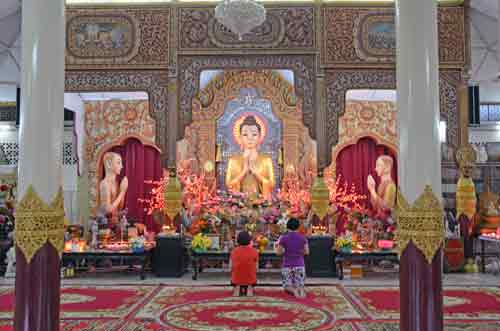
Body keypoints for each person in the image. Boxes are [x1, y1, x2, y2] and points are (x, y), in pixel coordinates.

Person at [226, 115, 275, 200]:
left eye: (254, 134)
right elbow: (229, 185)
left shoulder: (266, 160)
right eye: (245, 134)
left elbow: (271, 185)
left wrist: (256, 173)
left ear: (260, 136)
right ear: (240, 137)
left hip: (261, 204)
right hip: (237, 206)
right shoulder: (233, 160)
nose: (250, 138)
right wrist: (244, 171)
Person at [275, 218, 309, 298]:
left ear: (287, 227)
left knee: (286, 286)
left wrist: (277, 247)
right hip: (299, 265)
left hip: (287, 265)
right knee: (300, 283)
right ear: (298, 227)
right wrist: (298, 252)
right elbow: (307, 252)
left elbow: (278, 252)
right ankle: (300, 289)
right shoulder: (302, 238)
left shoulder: (283, 238)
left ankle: (294, 290)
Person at [99, 152, 128, 224]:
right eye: (118, 163)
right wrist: (122, 192)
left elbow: (119, 207)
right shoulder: (104, 184)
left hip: (115, 221)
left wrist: (123, 189)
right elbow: (108, 211)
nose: (121, 166)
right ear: (109, 164)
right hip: (105, 223)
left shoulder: (116, 183)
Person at [367, 155, 396, 221]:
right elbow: (375, 206)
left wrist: (372, 191)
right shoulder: (381, 185)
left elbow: (386, 207)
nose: (376, 168)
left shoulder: (391, 185)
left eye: (378, 165)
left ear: (387, 168)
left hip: (387, 223)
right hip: (378, 222)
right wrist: (372, 188)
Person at [230, 231, 259, 297]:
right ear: (249, 240)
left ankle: (237, 289)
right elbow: (257, 267)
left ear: (238, 240)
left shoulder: (234, 251)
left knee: (236, 278)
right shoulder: (254, 251)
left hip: (236, 278)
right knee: (250, 281)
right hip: (250, 278)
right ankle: (249, 289)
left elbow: (231, 267)